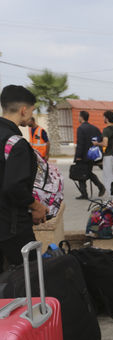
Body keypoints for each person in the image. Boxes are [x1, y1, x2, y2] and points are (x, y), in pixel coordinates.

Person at [0, 85, 48, 269]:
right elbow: (14, 187)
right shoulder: (15, 143)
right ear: (23, 110)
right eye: (32, 110)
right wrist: (36, 207)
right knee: (31, 282)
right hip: (13, 228)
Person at [74, 110, 105, 199]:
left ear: (81, 117)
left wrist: (78, 156)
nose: (78, 118)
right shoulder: (95, 128)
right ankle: (86, 192)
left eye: (78, 116)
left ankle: (98, 187)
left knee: (82, 174)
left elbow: (80, 143)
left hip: (83, 156)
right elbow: (100, 140)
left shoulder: (81, 128)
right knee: (87, 172)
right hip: (92, 155)